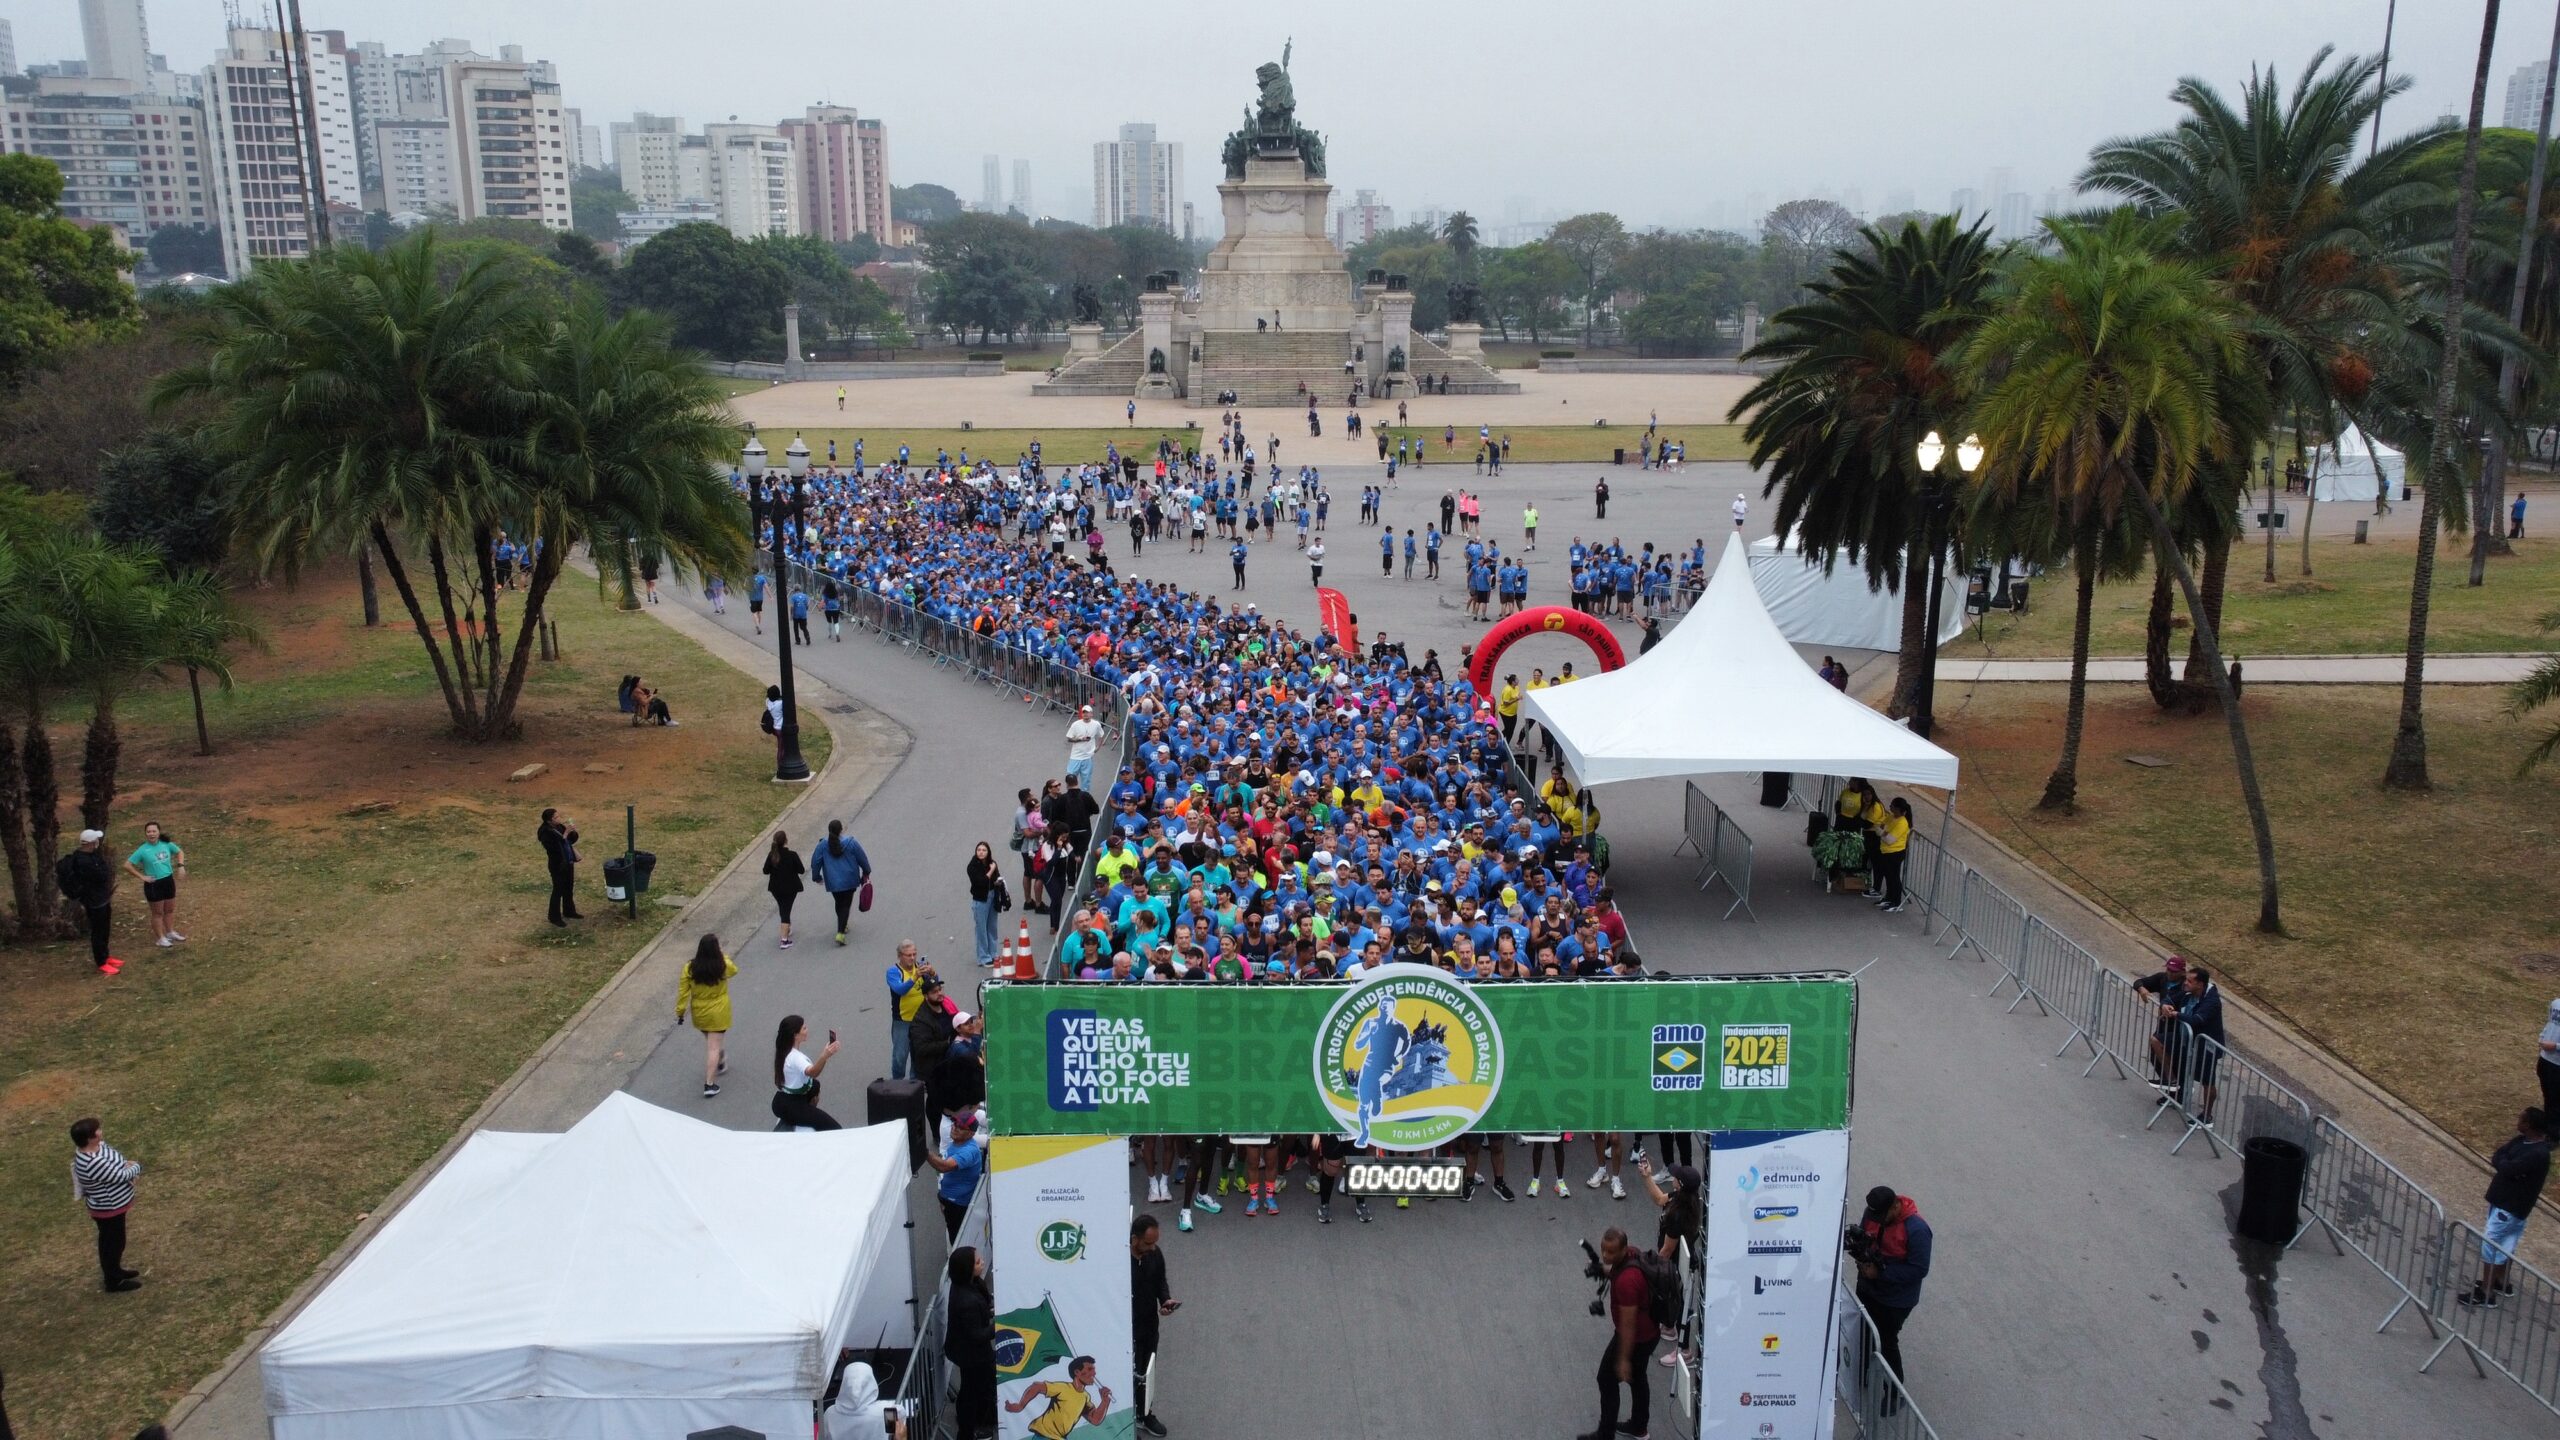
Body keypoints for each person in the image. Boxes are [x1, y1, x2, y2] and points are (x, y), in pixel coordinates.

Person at [2459, 1107, 2551, 1309]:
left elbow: (2508, 1167)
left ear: (2529, 1125)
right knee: (2506, 1245)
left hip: (2510, 1207)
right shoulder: (2521, 1141)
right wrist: (2504, 1162)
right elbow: (2499, 1155)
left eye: (2521, 1119)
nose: (2518, 1121)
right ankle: (2501, 1282)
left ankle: (2486, 1292)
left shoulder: (2538, 1153)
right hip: (2505, 1203)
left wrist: (2504, 1163)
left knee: (2491, 1245)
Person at [1852, 1185, 1933, 1397]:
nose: (1876, 1220)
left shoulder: (1917, 1230)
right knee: (1863, 1333)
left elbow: (1919, 1269)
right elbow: (1864, 1239)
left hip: (1895, 1301)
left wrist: (1880, 1274)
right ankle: (1861, 1375)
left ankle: (1894, 1394)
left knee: (1887, 1342)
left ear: (1896, 1206)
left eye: (1881, 1216)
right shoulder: (1874, 1213)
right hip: (1868, 1289)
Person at [1587, 1226, 1659, 1440]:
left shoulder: (1628, 1283)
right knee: (1638, 1378)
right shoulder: (1631, 1256)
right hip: (1650, 1333)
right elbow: (1616, 1269)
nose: (1606, 1255)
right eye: (1603, 1250)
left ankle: (1605, 1433)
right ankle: (1639, 1428)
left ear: (1624, 1249)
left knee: (1606, 1379)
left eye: (1611, 1252)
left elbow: (1628, 1326)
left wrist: (1623, 1359)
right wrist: (1601, 1269)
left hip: (1637, 1338)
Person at [70, 1117, 144, 1292]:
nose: (100, 1132)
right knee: (113, 1244)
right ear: (90, 1138)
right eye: (97, 1131)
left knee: (114, 1241)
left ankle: (116, 1271)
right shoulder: (92, 1162)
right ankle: (113, 1281)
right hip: (108, 1208)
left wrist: (125, 1164)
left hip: (115, 1205)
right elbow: (119, 1176)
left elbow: (115, 1159)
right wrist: (136, 1167)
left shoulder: (99, 1147)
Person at [945, 1246, 999, 1439]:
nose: (982, 1262)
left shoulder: (966, 1286)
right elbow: (977, 1335)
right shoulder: (966, 1301)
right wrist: (998, 1325)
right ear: (967, 1268)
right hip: (972, 1355)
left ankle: (973, 1423)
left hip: (968, 1353)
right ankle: (973, 1428)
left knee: (971, 1388)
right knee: (975, 1390)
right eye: (977, 1261)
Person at [676, 934, 738, 1098]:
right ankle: (709, 1084)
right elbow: (734, 970)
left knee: (711, 1041)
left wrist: (680, 1012)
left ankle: (720, 1057)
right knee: (713, 1047)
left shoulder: (690, 968)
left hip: (699, 1011)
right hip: (718, 1009)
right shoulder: (722, 964)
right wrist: (722, 955)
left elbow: (683, 993)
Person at [1130, 1214, 1175, 1436]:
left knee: (1146, 1373)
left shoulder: (1154, 1254)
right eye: (1148, 1243)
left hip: (1149, 1326)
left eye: (1155, 1242)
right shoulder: (1119, 1262)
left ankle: (1145, 1414)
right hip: (1126, 1331)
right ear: (1134, 1239)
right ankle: (1126, 1421)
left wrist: (1165, 1300)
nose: (1153, 1247)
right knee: (1129, 1375)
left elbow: (1160, 1280)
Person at [1007, 1356, 1110, 1439]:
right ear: (1077, 1372)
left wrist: (1105, 1402)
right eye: (1090, 1369)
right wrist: (1020, 1406)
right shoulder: (1063, 1388)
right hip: (1044, 1436)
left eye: (1094, 1369)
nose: (1094, 1373)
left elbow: (1095, 1419)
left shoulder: (1085, 1397)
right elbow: (1037, 1386)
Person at [771, 1013, 841, 1130]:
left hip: (782, 1099)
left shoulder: (783, 1050)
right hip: (792, 1104)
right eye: (804, 1028)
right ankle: (806, 1117)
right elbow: (813, 1072)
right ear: (795, 1035)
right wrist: (825, 1055)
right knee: (834, 1127)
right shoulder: (795, 1057)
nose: (807, 1030)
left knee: (815, 1085)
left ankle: (807, 1114)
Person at [810, 820, 874, 946]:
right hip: (850, 879)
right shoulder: (851, 842)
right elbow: (862, 857)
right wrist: (866, 871)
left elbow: (815, 862)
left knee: (839, 903)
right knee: (846, 904)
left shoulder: (822, 845)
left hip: (833, 881)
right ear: (841, 830)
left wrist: (816, 877)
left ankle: (843, 925)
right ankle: (840, 932)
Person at [123, 821, 185, 948]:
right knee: (158, 913)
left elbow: (179, 852)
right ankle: (160, 938)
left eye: (154, 831)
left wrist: (180, 866)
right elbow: (127, 865)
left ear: (158, 832)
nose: (151, 834)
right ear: (146, 834)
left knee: (169, 909)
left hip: (168, 880)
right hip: (153, 884)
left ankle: (170, 932)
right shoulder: (142, 850)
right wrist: (142, 877)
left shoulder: (166, 844)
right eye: (148, 831)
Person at [926, 1110, 988, 1236]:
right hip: (949, 1201)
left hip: (958, 1206)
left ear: (971, 1133)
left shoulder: (969, 1151)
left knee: (957, 1238)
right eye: (955, 1124)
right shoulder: (957, 1143)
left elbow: (944, 1167)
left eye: (961, 1127)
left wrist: (924, 1153)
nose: (955, 1128)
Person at [886, 939, 935, 1079]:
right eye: (908, 955)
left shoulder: (919, 967)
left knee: (918, 1054)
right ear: (900, 956)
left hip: (921, 1019)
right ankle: (897, 1082)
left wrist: (932, 973)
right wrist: (915, 977)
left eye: (914, 954)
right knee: (900, 1056)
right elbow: (900, 990)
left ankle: (914, 1084)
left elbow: (934, 986)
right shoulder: (893, 972)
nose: (912, 958)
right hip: (903, 1021)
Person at [760, 830, 806, 949]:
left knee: (783, 907)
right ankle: (784, 940)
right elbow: (801, 870)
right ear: (786, 840)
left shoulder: (772, 855)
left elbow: (765, 871)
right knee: (786, 910)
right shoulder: (792, 855)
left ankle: (787, 928)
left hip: (775, 888)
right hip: (791, 887)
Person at [536, 810, 581, 930]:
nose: (559, 818)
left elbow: (570, 841)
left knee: (568, 887)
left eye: (558, 816)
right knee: (558, 890)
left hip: (568, 861)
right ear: (549, 820)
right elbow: (554, 848)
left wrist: (573, 832)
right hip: (557, 865)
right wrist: (565, 834)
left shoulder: (559, 826)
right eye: (556, 817)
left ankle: (569, 911)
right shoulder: (545, 832)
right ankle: (554, 917)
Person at [967, 841, 1006, 966]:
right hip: (980, 901)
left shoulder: (992, 863)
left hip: (992, 897)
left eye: (984, 850)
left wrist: (998, 881)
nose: (981, 852)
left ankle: (993, 953)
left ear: (988, 852)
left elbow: (996, 878)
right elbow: (981, 882)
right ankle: (983, 957)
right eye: (979, 850)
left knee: (992, 927)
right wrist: (991, 870)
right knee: (981, 929)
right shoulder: (972, 866)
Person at [1872, 797, 1913, 913]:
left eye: (1892, 806)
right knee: (1888, 876)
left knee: (1894, 877)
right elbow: (1879, 827)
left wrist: (1882, 832)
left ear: (1898, 809)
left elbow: (1889, 839)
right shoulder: (1891, 817)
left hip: (1895, 853)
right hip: (1885, 851)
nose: (1889, 808)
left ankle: (1896, 901)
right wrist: (1883, 832)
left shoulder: (1902, 823)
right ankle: (1889, 898)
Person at [1064, 704, 1103, 789]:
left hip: (1087, 757)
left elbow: (1101, 735)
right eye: (1084, 712)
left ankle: (1084, 799)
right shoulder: (1076, 724)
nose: (1085, 714)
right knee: (1070, 778)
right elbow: (1069, 738)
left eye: (1087, 712)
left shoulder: (1096, 724)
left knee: (1086, 781)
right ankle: (1071, 797)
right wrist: (1080, 739)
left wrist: (1097, 747)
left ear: (1091, 714)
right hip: (1075, 756)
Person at [2540, 996, 2560, 1122]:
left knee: (2557, 1099)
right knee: (2547, 1094)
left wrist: (2556, 1046)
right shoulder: (2556, 1003)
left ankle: (2554, 1132)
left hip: (2558, 1064)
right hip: (2545, 1059)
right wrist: (2541, 1038)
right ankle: (2547, 1124)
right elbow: (2549, 1023)